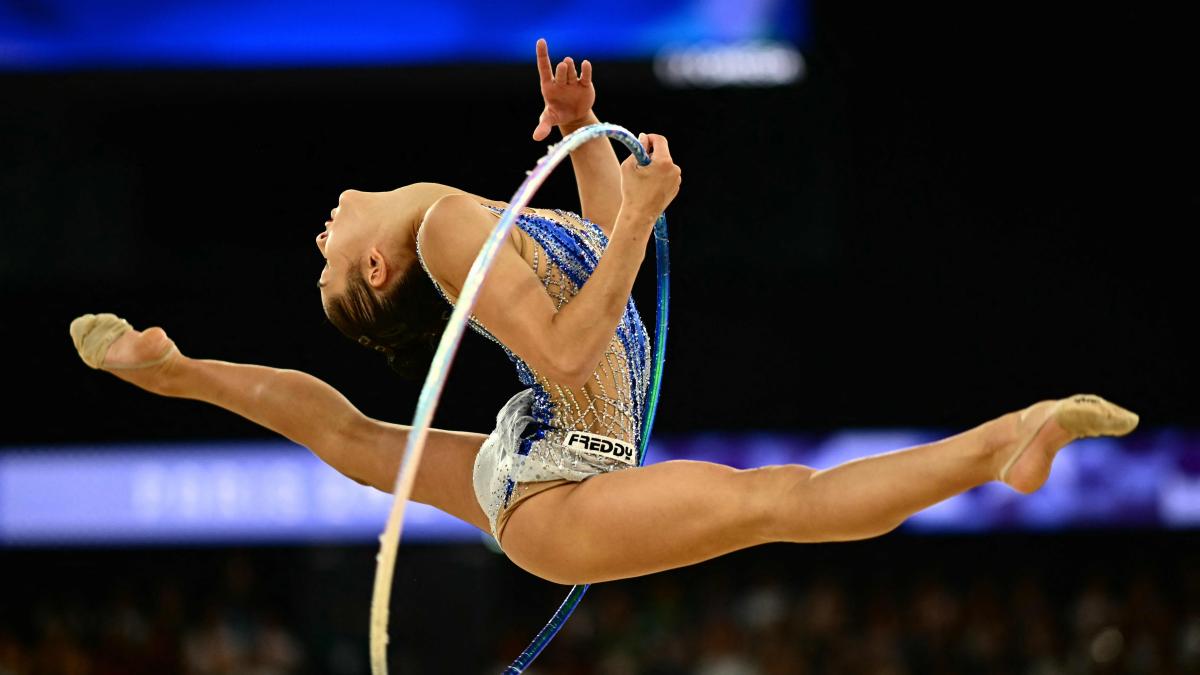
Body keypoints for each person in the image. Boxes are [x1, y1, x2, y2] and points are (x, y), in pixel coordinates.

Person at [69, 39, 1138, 587]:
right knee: (779, 500)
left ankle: (173, 370)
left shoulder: (459, 216)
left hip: (556, 451)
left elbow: (587, 290)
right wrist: (643, 213)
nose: (319, 239)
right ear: (382, 273)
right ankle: (1002, 441)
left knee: (358, 444)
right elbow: (572, 339)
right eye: (328, 269)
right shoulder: (441, 229)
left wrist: (583, 142)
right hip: (557, 493)